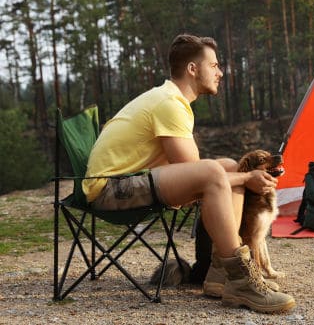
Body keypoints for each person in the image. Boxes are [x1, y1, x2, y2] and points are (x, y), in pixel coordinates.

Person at [82, 34, 296, 313]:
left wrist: (239, 174)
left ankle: (220, 275)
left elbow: (202, 173)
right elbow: (200, 175)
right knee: (214, 172)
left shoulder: (169, 99)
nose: (220, 72)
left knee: (228, 166)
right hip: (110, 190)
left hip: (132, 180)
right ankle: (242, 279)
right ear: (193, 69)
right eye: (215, 65)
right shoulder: (169, 104)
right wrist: (247, 179)